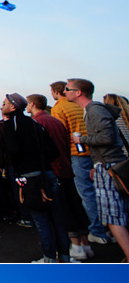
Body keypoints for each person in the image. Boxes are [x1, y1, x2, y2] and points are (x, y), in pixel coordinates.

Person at [0, 93, 71, 262]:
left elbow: (13, 151)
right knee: (57, 219)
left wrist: (19, 167)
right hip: (48, 174)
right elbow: (53, 151)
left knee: (42, 220)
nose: (2, 106)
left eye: (4, 103)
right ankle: (65, 257)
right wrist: (41, 162)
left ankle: (49, 258)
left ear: (13, 107)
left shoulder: (10, 125)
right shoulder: (35, 124)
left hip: (30, 178)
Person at [66, 79, 129, 258]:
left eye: (67, 89)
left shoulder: (95, 110)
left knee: (112, 215)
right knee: (116, 213)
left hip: (110, 166)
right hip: (106, 164)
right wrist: (95, 162)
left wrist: (81, 140)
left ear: (78, 93)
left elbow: (107, 137)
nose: (64, 92)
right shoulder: (91, 110)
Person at [26, 94, 92, 260]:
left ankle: (74, 246)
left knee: (61, 210)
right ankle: (84, 243)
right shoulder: (55, 120)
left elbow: (44, 149)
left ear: (32, 104)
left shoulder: (38, 122)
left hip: (54, 169)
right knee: (74, 204)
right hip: (66, 165)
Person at [50, 80, 110, 244]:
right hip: (96, 153)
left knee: (86, 193)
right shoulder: (83, 107)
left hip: (77, 153)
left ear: (56, 92)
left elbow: (60, 135)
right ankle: (109, 226)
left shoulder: (59, 108)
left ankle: (97, 230)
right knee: (102, 191)